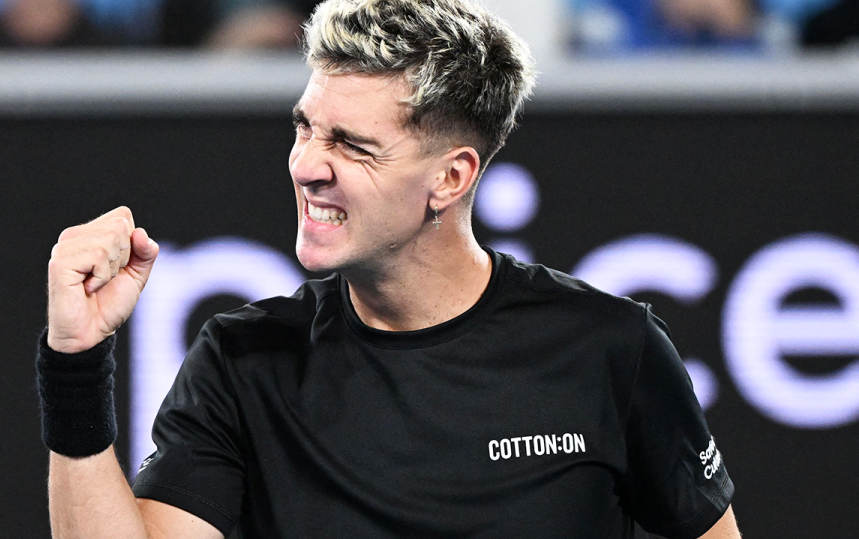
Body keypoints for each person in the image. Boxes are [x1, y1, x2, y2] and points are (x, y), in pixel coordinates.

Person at [38, 0, 742, 537]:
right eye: (304, 127)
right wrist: (75, 360)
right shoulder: (243, 359)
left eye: (351, 144)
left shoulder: (611, 349)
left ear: (451, 177)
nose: (307, 164)